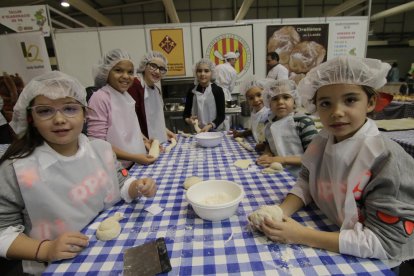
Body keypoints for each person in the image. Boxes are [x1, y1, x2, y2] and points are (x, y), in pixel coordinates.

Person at [249, 56, 414, 270]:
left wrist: (302, 235)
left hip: (374, 259)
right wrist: (281, 211)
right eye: (326, 103)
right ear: (315, 106)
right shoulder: (323, 140)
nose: (336, 112)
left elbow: (385, 242)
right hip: (338, 229)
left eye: (350, 100)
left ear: (371, 102)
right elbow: (308, 181)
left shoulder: (384, 159)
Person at [0, 71, 157, 274]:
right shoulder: (18, 169)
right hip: (59, 264)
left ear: (85, 114)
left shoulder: (100, 149)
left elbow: (118, 183)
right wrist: (46, 249)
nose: (59, 119)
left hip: (108, 251)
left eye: (70, 108)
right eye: (45, 111)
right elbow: (3, 231)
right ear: (31, 118)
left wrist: (135, 187)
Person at [87, 49, 157, 169]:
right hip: (115, 168)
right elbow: (97, 144)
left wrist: (144, 140)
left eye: (130, 72)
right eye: (118, 70)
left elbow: (128, 127)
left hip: (133, 163)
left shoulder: (125, 95)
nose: (125, 76)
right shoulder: (100, 98)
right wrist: (134, 157)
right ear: (106, 72)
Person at [256, 79, 318, 177]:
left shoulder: (303, 122)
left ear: (294, 101)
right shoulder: (269, 125)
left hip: (303, 177)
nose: (280, 102)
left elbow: (314, 158)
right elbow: (269, 144)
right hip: (278, 173)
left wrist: (282, 159)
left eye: (286, 97)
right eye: (275, 98)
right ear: (269, 103)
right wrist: (266, 154)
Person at [127, 51, 176, 143]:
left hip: (155, 143)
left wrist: (165, 131)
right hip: (139, 143)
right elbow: (129, 121)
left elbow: (155, 120)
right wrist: (144, 141)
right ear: (144, 66)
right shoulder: (135, 85)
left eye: (161, 69)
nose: (157, 71)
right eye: (153, 66)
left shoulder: (156, 90)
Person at [183, 58, 225, 132]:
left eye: (206, 71)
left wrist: (210, 125)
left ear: (212, 73)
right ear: (196, 73)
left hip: (214, 131)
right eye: (199, 71)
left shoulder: (217, 90)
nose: (202, 74)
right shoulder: (191, 91)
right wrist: (189, 120)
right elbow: (185, 115)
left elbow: (221, 116)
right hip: (196, 132)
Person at [232, 76, 270, 150]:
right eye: (251, 98)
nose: (256, 100)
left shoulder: (268, 113)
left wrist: (264, 146)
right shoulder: (254, 112)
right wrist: (242, 134)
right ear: (247, 100)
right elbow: (255, 129)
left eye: (259, 95)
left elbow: (271, 137)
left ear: (265, 93)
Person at [215, 51, 238, 131]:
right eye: (235, 60)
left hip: (214, 92)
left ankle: (216, 131)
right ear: (231, 60)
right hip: (225, 92)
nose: (235, 62)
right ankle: (226, 132)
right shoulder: (233, 71)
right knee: (226, 114)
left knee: (216, 112)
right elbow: (231, 88)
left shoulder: (217, 67)